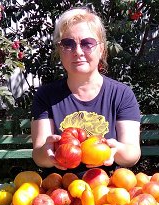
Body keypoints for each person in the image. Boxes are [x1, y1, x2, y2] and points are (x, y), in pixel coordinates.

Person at [31, 7, 141, 177]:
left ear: (102, 49)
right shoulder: (46, 96)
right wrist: (47, 153)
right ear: (60, 50)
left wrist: (117, 150)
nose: (78, 51)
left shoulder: (122, 95)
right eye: (68, 44)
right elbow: (38, 155)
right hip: (59, 187)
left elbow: (132, 154)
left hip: (107, 191)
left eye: (87, 43)